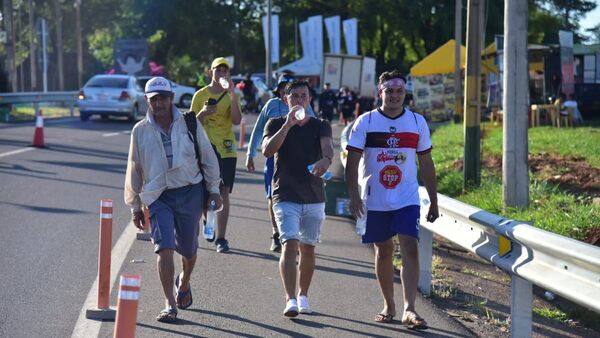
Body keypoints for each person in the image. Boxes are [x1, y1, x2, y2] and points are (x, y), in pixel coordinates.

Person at [345, 70, 439, 331]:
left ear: (405, 92)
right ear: (380, 92)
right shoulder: (366, 122)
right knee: (383, 250)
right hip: (375, 198)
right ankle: (389, 304)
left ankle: (410, 309)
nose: (395, 95)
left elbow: (426, 163)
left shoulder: (417, 122)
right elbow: (352, 163)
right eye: (390, 90)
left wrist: (434, 199)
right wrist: (353, 195)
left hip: (407, 197)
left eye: (399, 90)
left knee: (410, 245)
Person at [124, 76, 222, 323]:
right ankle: (169, 303)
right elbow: (134, 168)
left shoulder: (189, 122)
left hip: (190, 191)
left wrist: (214, 189)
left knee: (188, 250)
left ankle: (184, 282)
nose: (159, 103)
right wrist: (135, 205)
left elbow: (208, 157)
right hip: (158, 196)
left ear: (171, 98)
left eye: (164, 98)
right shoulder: (140, 130)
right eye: (154, 99)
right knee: (164, 248)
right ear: (147, 100)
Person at [262, 80, 333, 317]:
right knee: (289, 244)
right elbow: (268, 151)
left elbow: (328, 148)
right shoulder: (275, 123)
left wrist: (326, 160)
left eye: (304, 96)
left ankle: (303, 296)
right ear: (286, 100)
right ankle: (290, 298)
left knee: (308, 249)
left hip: (314, 196)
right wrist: (288, 126)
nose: (300, 100)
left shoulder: (320, 125)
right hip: (285, 194)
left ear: (310, 99)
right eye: (294, 97)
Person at [246, 75, 316, 252]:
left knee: (298, 196)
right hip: (273, 158)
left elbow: (315, 129)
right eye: (284, 88)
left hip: (298, 159)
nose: (289, 92)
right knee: (273, 197)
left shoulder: (304, 107)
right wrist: (250, 154)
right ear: (280, 92)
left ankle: (294, 234)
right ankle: (276, 233)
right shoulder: (271, 105)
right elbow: (258, 130)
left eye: (290, 88)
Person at [190, 57, 242, 253]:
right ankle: (207, 219)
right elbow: (190, 124)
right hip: (205, 148)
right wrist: (203, 113)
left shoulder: (231, 95)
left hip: (227, 149)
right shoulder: (200, 95)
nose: (222, 74)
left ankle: (221, 238)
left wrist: (233, 94)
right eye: (218, 71)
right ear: (210, 73)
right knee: (205, 192)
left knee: (224, 191)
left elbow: (237, 120)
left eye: (225, 71)